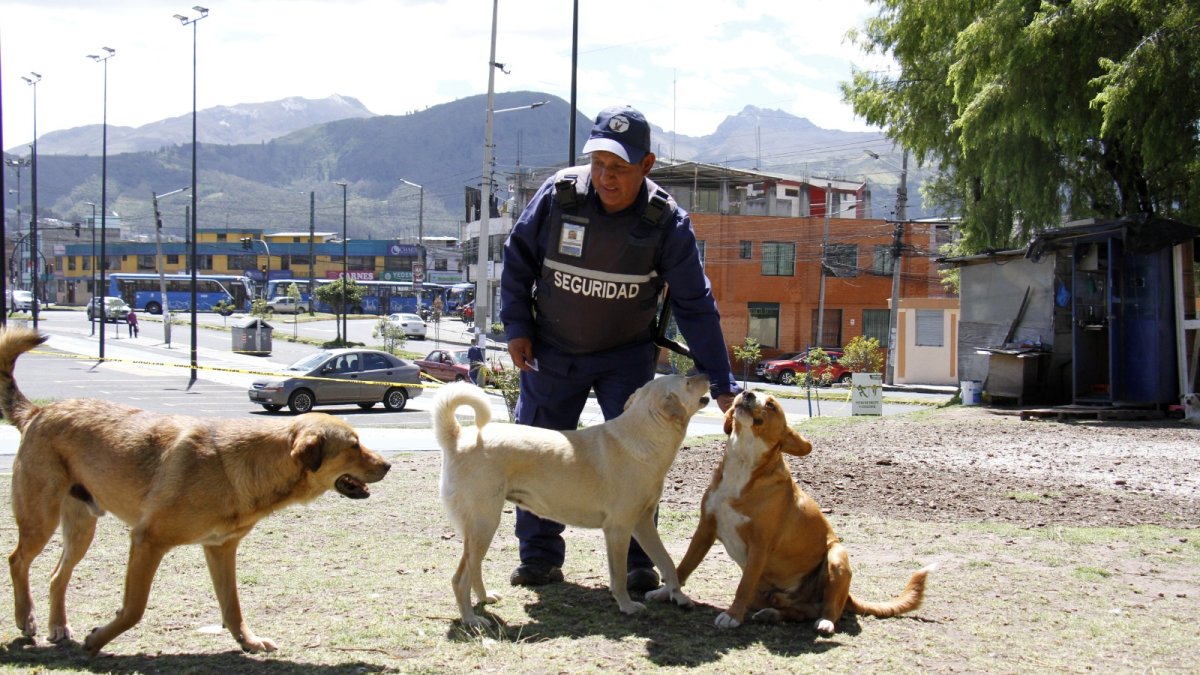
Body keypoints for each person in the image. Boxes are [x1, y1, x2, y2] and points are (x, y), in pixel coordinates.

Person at [499, 104, 739, 594]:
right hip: (552, 349)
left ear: (647, 165)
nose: (607, 177)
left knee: (639, 460)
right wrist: (517, 326)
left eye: (621, 168)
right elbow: (517, 259)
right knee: (541, 453)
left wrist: (722, 383)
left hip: (625, 357)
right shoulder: (558, 196)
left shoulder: (666, 222)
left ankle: (637, 560)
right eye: (600, 164)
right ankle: (540, 557)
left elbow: (696, 305)